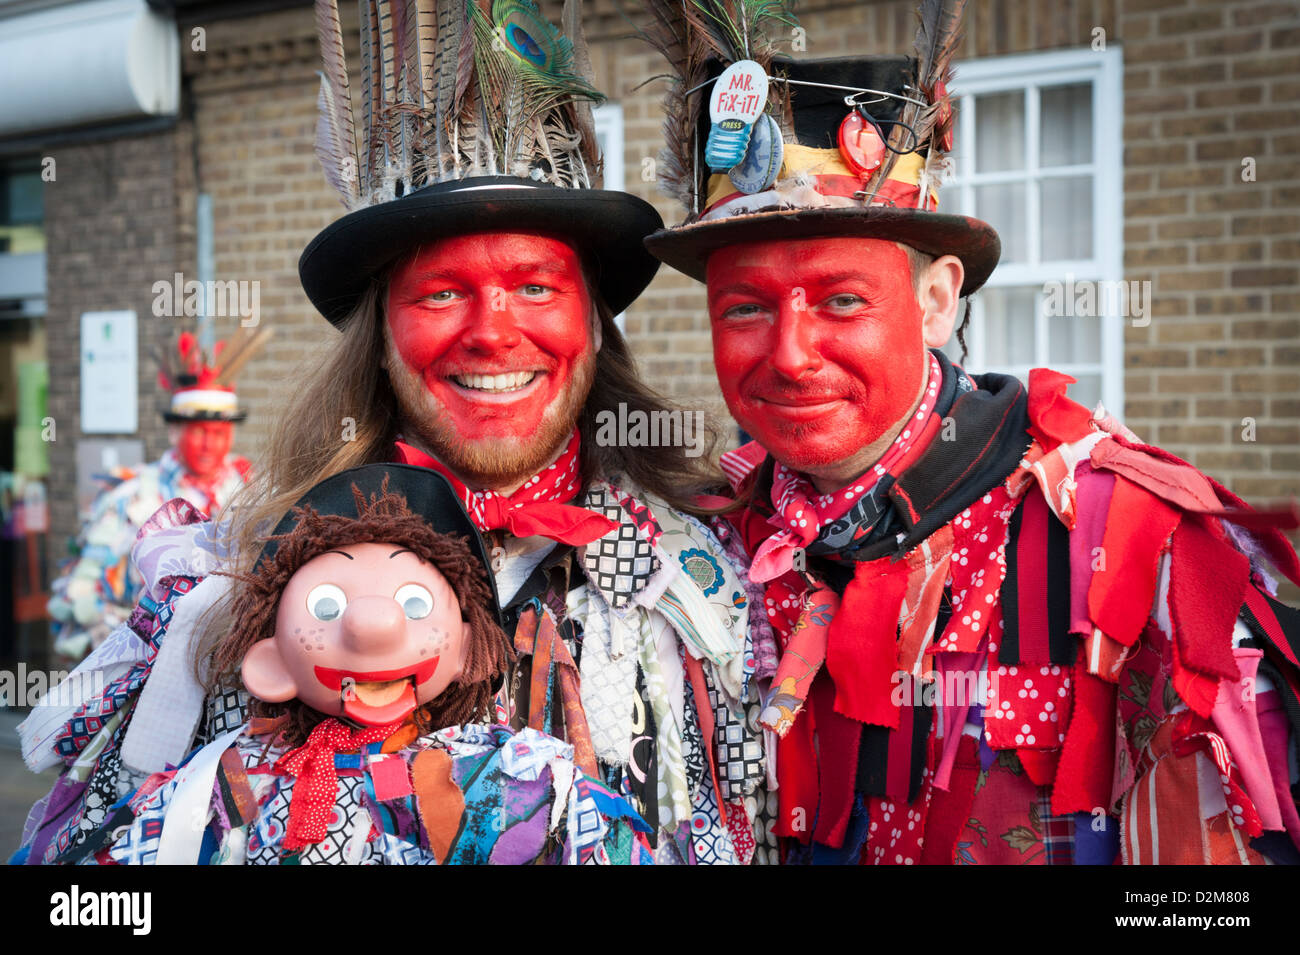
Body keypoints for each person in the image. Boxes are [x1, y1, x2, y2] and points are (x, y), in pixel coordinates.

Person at [16, 0, 769, 866]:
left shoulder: (705, 585)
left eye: (535, 287)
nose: (492, 332)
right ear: (378, 340)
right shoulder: (231, 589)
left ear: (595, 326)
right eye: (442, 292)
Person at [642, 0, 1300, 864]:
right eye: (745, 309)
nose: (792, 355)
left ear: (938, 299)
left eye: (842, 300)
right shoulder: (708, 544)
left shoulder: (1124, 538)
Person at [77, 465, 653, 865]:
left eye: (413, 604)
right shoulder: (228, 777)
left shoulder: (512, 773)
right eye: (327, 607)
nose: (372, 625)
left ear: (465, 651)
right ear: (270, 664)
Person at [45, 330, 260, 659]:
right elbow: (81, 594)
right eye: (199, 431)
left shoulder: (255, 493)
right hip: (148, 665)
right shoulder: (128, 497)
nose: (209, 445)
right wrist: (141, 639)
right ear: (174, 431)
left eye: (219, 433)